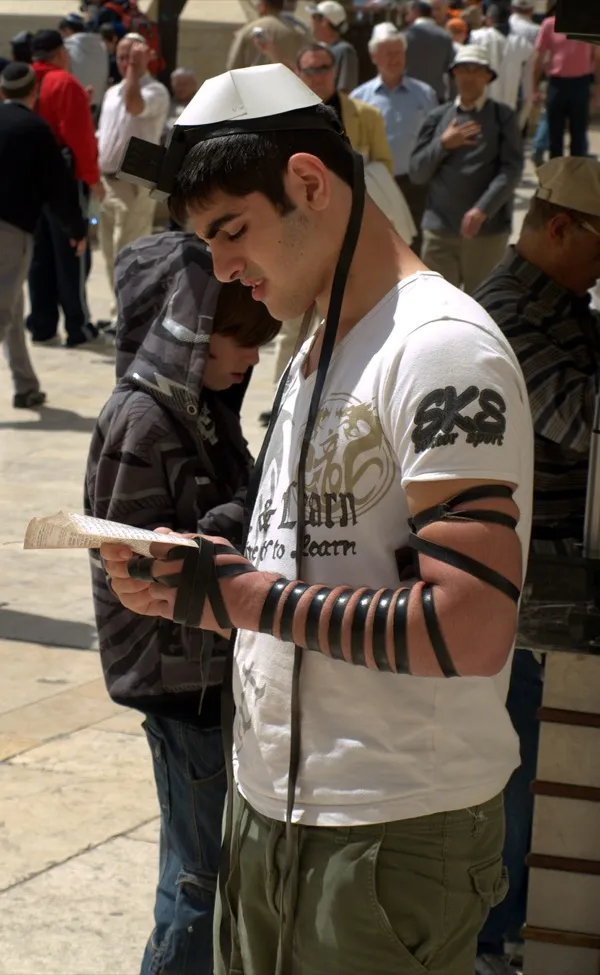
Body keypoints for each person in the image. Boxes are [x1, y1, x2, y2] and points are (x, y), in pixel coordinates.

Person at [102, 61, 534, 975]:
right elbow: (315, 547)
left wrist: (244, 598)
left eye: (232, 232)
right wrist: (207, 556)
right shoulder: (311, 348)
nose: (219, 268)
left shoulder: (440, 346)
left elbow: (473, 623)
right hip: (273, 807)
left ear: (309, 183)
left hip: (392, 825)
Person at [85, 231, 280, 975]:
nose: (251, 356)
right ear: (185, 330)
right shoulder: (142, 421)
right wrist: (250, 511)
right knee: (197, 880)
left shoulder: (204, 408)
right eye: (237, 336)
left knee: (210, 869)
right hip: (179, 687)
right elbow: (143, 564)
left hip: (206, 678)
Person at [473, 155, 600, 975]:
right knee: (516, 790)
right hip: (522, 591)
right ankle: (495, 942)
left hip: (555, 580)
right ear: (558, 227)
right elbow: (582, 417)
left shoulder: (564, 301)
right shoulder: (511, 314)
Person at [0, 63, 87, 408]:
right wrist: (76, 229)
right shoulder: (35, 129)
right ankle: (24, 385)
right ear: (33, 93)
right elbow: (59, 188)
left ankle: (26, 385)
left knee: (13, 309)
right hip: (10, 232)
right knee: (3, 311)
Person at [410, 44, 523, 294]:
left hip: (486, 234)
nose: (469, 77)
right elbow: (417, 172)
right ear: (454, 74)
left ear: (487, 76)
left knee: (484, 307)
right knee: (438, 306)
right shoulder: (438, 117)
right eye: (463, 69)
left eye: (476, 70)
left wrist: (483, 209)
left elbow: (512, 169)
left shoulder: (501, 116)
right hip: (439, 231)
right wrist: (443, 145)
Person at [28, 29, 101, 348]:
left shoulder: (22, 81)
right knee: (74, 250)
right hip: (63, 177)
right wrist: (92, 177)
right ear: (59, 54)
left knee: (39, 254)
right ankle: (77, 324)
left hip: (28, 180)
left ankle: (42, 324)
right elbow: (79, 138)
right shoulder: (64, 83)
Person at [97, 34, 169, 321]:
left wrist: (134, 72)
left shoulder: (155, 91)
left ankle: (130, 316)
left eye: (132, 57)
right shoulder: (111, 91)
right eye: (122, 57)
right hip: (106, 182)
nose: (126, 63)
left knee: (129, 254)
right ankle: (121, 312)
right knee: (108, 252)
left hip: (134, 181)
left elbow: (134, 106)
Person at [352, 21, 437, 253]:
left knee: (416, 239)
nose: (394, 58)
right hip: (377, 182)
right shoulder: (360, 98)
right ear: (373, 57)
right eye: (387, 53)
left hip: (416, 181)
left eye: (398, 52)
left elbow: (435, 138)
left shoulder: (425, 94)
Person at [534, 13, 600, 160]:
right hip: (557, 83)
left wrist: (597, 89)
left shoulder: (590, 24)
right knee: (555, 136)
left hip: (580, 83)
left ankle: (575, 177)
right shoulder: (550, 24)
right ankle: (557, 178)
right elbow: (539, 57)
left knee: (579, 135)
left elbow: (597, 58)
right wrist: (534, 88)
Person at [471, 3, 534, 126]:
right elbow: (528, 87)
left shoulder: (477, 37)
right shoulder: (523, 44)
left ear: (489, 19)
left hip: (481, 107)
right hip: (509, 108)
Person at [226, 0, 305, 71]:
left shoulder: (249, 29)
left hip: (253, 82)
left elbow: (233, 64)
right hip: (284, 82)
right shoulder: (296, 31)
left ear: (263, 6)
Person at [59, 12, 109, 119]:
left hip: (75, 107)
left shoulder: (66, 47)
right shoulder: (102, 45)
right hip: (98, 106)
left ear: (67, 30)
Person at [404, 0, 455, 102]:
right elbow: (452, 70)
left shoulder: (405, 36)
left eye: (408, 12)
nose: (406, 17)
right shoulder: (445, 36)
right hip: (436, 97)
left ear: (415, 12)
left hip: (409, 96)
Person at [308, 0, 359, 92]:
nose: (310, 23)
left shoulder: (345, 51)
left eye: (313, 18)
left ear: (324, 21)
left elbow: (345, 89)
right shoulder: (314, 49)